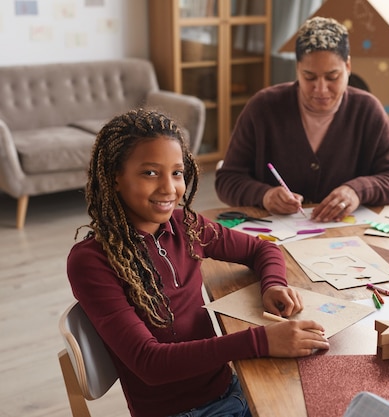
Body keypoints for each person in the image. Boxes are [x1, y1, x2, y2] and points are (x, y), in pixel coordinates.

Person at [66, 108, 329, 417]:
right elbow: (149, 363)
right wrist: (260, 341)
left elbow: (262, 250)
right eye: (150, 172)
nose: (169, 188)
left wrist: (273, 285)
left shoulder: (186, 226)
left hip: (231, 389)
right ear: (115, 178)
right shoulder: (91, 261)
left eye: (176, 172)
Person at [215, 16, 389, 222]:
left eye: (332, 77)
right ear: (297, 69)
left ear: (348, 67)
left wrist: (356, 190)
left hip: (345, 238)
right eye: (309, 77)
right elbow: (227, 180)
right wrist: (265, 195)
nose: (321, 89)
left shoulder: (367, 110)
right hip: (275, 239)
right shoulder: (263, 108)